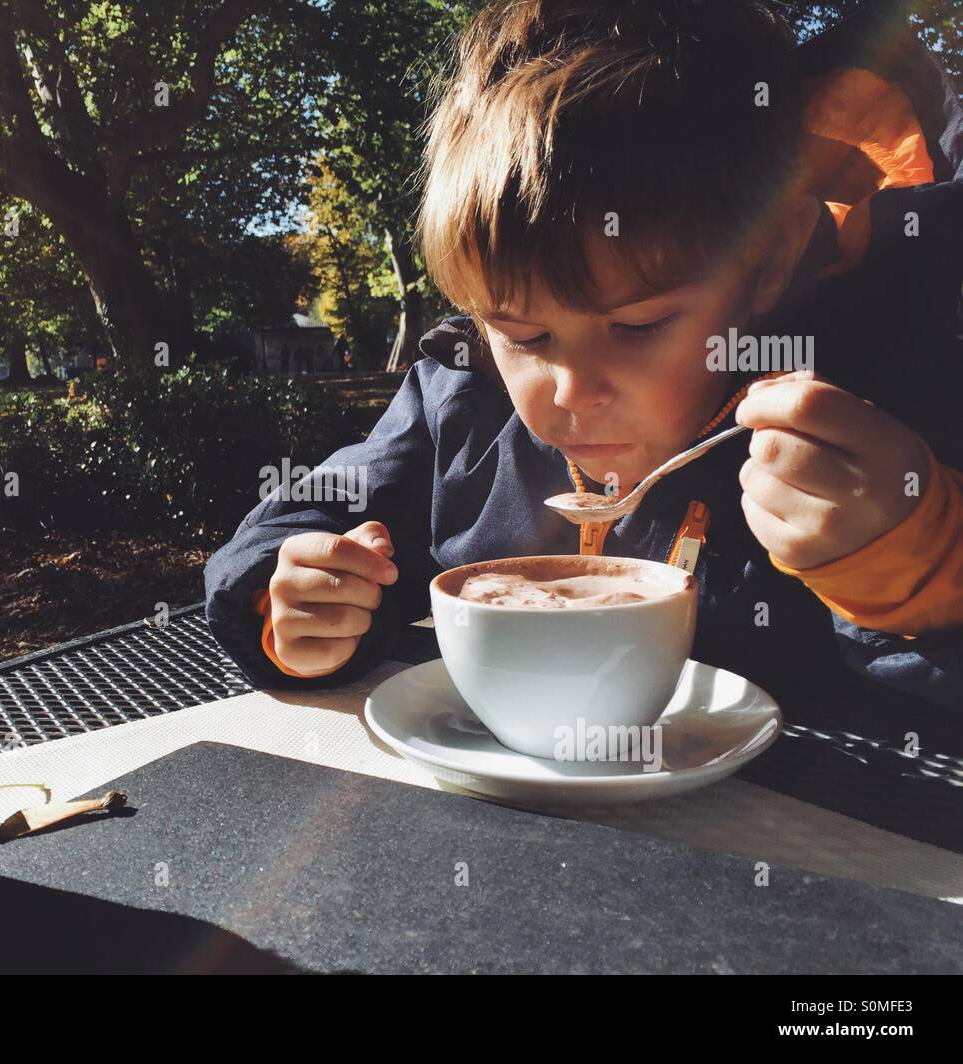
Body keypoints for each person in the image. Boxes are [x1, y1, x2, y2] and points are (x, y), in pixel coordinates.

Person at [204, 0, 963, 716]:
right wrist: (296, 600)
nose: (571, 391)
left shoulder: (881, 400)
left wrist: (913, 571)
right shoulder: (459, 403)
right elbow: (312, 517)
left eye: (638, 326)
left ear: (770, 260)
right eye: (523, 335)